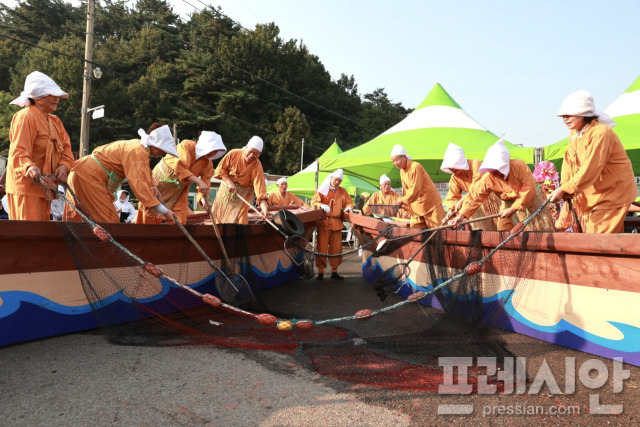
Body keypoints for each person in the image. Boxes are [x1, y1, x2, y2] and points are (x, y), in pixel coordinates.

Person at [549, 90, 637, 233]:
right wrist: (565, 187)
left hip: (612, 194)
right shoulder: (574, 135)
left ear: (585, 114)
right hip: (593, 196)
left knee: (598, 239)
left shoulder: (601, 132)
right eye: (563, 116)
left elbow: (591, 168)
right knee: (594, 238)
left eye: (569, 114)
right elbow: (568, 164)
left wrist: (566, 189)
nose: (565, 119)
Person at [64, 123, 179, 223]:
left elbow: (145, 173)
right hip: (89, 177)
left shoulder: (139, 149)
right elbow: (140, 185)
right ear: (154, 144)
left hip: (83, 174)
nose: (162, 153)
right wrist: (164, 211)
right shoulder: (138, 152)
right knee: (109, 219)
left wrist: (153, 187)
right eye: (162, 149)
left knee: (79, 218)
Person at [5, 71, 75, 220]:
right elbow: (19, 151)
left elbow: (67, 149)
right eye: (51, 95)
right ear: (37, 97)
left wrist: (64, 165)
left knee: (40, 234)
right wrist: (29, 167)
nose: (57, 99)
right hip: (27, 188)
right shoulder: (25, 117)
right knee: (27, 236)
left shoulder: (56, 121)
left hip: (48, 188)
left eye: (57, 96)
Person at [136, 130, 227, 224]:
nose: (213, 153)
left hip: (181, 189)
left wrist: (204, 199)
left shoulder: (208, 165)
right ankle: (144, 236)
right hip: (161, 181)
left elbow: (205, 185)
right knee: (151, 213)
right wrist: (199, 182)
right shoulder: (186, 145)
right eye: (212, 149)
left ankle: (174, 238)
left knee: (180, 217)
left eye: (215, 151)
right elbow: (179, 167)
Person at [449, 139, 537, 231]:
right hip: (508, 203)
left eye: (495, 168)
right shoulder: (488, 177)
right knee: (503, 229)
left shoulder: (519, 166)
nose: (493, 172)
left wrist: (513, 209)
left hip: (531, 200)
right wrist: (462, 215)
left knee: (536, 230)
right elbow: (475, 196)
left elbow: (529, 189)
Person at [211, 136, 269, 224]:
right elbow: (220, 170)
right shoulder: (233, 154)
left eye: (255, 154)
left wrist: (264, 209)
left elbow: (260, 188)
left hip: (243, 195)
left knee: (241, 218)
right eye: (250, 152)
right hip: (227, 189)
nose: (251, 156)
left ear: (259, 155)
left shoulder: (257, 166)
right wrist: (230, 183)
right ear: (246, 147)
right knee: (220, 215)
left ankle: (240, 236)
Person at [311, 169, 354, 280]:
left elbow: (349, 202)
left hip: (336, 223)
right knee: (322, 247)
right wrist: (321, 205)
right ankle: (320, 271)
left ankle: (334, 271)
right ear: (331, 178)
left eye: (339, 181)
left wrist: (349, 207)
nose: (337, 182)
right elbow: (314, 202)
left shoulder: (343, 191)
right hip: (324, 223)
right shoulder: (322, 189)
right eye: (336, 180)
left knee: (337, 248)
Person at [391, 145, 444, 228]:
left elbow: (416, 189)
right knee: (415, 234)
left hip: (430, 205)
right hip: (417, 208)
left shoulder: (415, 166)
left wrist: (402, 200)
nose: (395, 163)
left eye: (397, 160)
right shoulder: (401, 171)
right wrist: (406, 205)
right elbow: (405, 190)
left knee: (439, 233)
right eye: (393, 161)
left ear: (404, 156)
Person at [440, 142, 482, 216]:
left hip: (486, 199)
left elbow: (478, 187)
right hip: (472, 204)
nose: (454, 173)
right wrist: (450, 209)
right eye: (452, 171)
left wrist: (463, 199)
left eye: (455, 170)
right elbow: (452, 196)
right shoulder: (455, 177)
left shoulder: (475, 164)